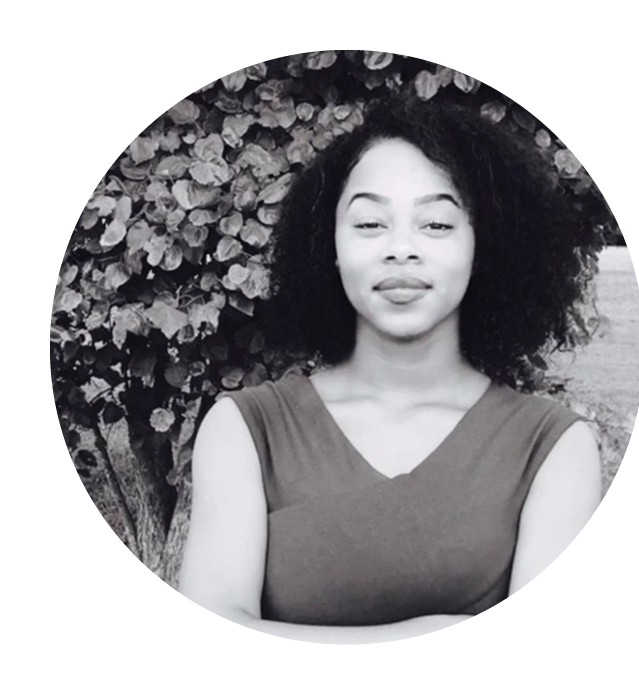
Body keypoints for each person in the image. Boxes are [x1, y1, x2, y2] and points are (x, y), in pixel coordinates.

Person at [178, 93, 602, 643]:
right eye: (371, 223)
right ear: (329, 245)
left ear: (482, 246)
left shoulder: (551, 445)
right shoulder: (246, 429)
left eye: (437, 224)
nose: (401, 249)